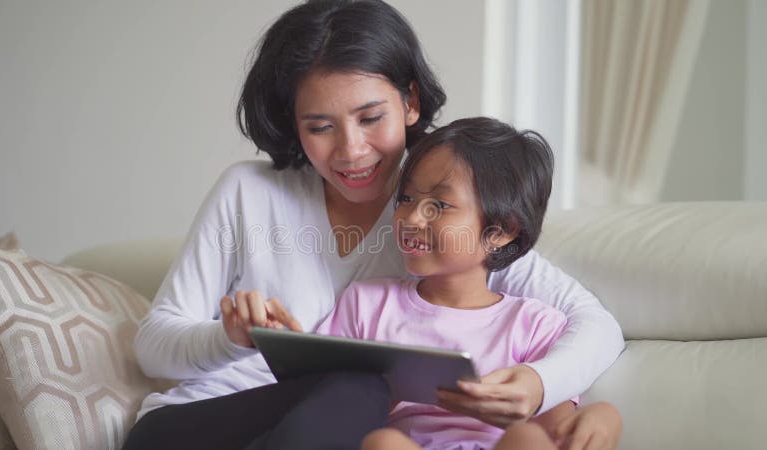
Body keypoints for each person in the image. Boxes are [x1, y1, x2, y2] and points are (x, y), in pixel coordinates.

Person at [122, 1, 623, 449]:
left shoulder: (445, 218)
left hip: (331, 433)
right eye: (319, 127)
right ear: (292, 123)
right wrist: (231, 337)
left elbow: (597, 326)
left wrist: (540, 383)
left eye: (370, 118)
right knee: (359, 386)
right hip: (194, 429)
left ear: (409, 102)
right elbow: (154, 348)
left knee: (362, 390)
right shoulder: (248, 192)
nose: (351, 150)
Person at [309, 117, 622, 449]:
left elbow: (556, 429)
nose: (412, 218)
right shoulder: (367, 305)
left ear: (501, 231)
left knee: (527, 438)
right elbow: (324, 405)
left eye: (440, 205)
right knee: (384, 443)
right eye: (407, 198)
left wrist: (604, 416)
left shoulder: (533, 325)